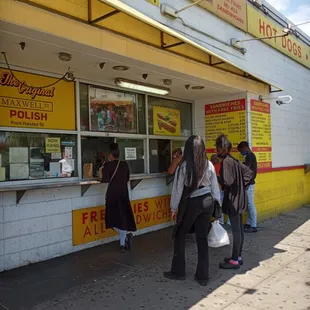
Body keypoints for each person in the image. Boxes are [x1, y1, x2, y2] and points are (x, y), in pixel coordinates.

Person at [164, 135, 221, 286]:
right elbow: (215, 188)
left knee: (179, 235)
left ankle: (178, 272)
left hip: (192, 203)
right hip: (208, 202)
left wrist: (173, 208)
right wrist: (217, 207)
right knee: (202, 238)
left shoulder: (184, 166)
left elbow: (177, 189)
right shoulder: (209, 165)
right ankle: (203, 276)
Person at [216, 134, 253, 270]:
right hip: (240, 198)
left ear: (222, 149)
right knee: (240, 230)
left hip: (233, 200)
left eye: (217, 148)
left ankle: (234, 261)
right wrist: (242, 186)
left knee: (236, 231)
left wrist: (217, 179)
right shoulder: (234, 160)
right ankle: (238, 256)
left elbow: (228, 182)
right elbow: (249, 173)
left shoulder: (226, 162)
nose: (216, 150)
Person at [102, 143, 137, 252]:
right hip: (123, 194)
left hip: (112, 195)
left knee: (111, 219)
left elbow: (105, 179)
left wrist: (103, 168)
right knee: (122, 218)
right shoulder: (125, 165)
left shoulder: (108, 165)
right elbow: (127, 178)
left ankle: (124, 239)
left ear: (110, 156)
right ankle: (123, 242)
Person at [238, 141, 258, 233]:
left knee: (250, 204)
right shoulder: (250, 156)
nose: (241, 153)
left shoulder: (250, 156)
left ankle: (253, 225)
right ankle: (249, 223)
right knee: (249, 204)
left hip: (249, 183)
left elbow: (246, 168)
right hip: (248, 183)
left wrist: (239, 165)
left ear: (245, 148)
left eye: (241, 150)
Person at [210, 154, 225, 225]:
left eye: (215, 158)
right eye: (212, 158)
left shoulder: (220, 166)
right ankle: (216, 219)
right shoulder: (210, 166)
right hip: (212, 188)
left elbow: (219, 176)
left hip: (218, 188)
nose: (214, 159)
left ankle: (220, 221)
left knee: (219, 204)